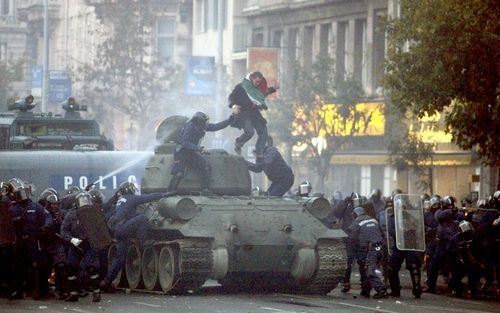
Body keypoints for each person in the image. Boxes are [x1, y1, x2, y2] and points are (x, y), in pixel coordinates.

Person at [100, 182, 168, 291]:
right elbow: (148, 197)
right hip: (124, 228)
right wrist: (164, 194)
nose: (134, 189)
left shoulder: (120, 200)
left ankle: (106, 282)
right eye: (132, 188)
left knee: (120, 259)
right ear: (129, 190)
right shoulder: (131, 198)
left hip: (119, 230)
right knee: (142, 218)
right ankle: (143, 242)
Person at [8, 179, 54, 300]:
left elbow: (47, 216)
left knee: (36, 266)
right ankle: (18, 291)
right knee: (18, 267)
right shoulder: (13, 208)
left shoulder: (35, 206)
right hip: (19, 241)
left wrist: (45, 226)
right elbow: (5, 222)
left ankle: (37, 290)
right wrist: (15, 221)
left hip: (33, 240)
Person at [168, 111, 233, 192]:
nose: (205, 122)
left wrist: (230, 120)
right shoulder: (190, 126)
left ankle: (204, 189)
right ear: (198, 121)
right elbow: (184, 142)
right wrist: (198, 148)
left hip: (191, 153)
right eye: (204, 120)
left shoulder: (202, 126)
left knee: (205, 167)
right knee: (178, 174)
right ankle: (170, 191)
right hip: (182, 152)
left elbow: (216, 126)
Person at [60, 191, 102, 302]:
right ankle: (73, 293)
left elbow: (101, 230)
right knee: (71, 268)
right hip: (76, 245)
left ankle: (97, 292)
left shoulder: (94, 214)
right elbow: (64, 230)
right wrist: (72, 239)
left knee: (91, 267)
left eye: (87, 201)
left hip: (89, 244)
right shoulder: (71, 214)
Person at [228, 71, 277, 159]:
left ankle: (259, 153)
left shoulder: (257, 88)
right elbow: (231, 97)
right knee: (250, 132)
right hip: (243, 113)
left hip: (254, 114)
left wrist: (273, 88)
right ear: (251, 79)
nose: (258, 84)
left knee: (263, 131)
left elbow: (264, 93)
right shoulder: (241, 87)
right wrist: (233, 105)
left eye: (259, 82)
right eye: (256, 81)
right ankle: (239, 142)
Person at [348, 206, 388, 298]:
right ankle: (366, 289)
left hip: (371, 249)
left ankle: (381, 289)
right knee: (367, 267)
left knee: (369, 270)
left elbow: (351, 235)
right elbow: (382, 234)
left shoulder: (357, 221)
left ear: (355, 214)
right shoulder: (373, 220)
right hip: (380, 248)